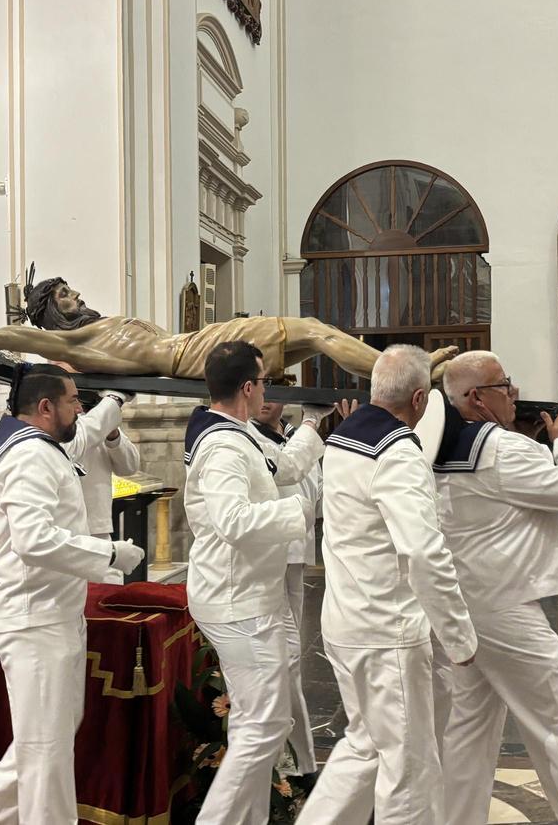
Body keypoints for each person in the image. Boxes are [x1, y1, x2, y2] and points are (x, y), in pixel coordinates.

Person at [0, 365, 145, 824]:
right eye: (73, 400)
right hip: (31, 613)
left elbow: (89, 435)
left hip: (48, 607)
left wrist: (115, 400)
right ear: (45, 407)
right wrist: (109, 553)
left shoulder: (38, 444)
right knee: (45, 750)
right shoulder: (29, 455)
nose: (79, 408)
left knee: (47, 738)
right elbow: (33, 539)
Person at [434, 350, 558, 825]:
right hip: (506, 606)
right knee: (557, 727)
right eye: (503, 384)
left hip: (464, 600)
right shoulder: (501, 448)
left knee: (470, 727)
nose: (513, 391)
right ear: (477, 397)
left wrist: (527, 440)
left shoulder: (447, 442)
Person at [299, 345, 477, 825]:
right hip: (386, 630)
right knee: (408, 770)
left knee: (365, 748)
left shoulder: (344, 437)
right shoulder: (396, 451)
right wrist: (459, 635)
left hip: (345, 618)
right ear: (419, 399)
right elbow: (422, 551)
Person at [181, 341, 330, 825]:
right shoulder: (223, 445)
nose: (267, 389)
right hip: (235, 598)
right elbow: (233, 520)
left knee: (259, 720)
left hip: (250, 592)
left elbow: (283, 465)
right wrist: (297, 511)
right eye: (264, 381)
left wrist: (312, 423)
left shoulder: (237, 431)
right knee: (264, 724)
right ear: (248, 387)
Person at [0, 272, 458, 382]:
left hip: (192, 346)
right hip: (189, 354)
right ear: (50, 313)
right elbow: (1, 337)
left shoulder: (104, 325)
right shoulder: (73, 342)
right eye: (63, 295)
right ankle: (408, 372)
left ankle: (401, 370)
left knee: (312, 340)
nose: (77, 296)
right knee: (310, 328)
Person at [250, 397, 326, 784]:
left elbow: (315, 490)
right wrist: (314, 423)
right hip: (264, 555)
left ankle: (299, 761)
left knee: (290, 655)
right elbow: (287, 470)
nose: (265, 402)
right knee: (285, 657)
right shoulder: (248, 437)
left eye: (272, 391)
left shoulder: (294, 436)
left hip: (295, 550)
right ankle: (291, 762)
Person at [63, 389, 141, 585]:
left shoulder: (97, 423)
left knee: (107, 594)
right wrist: (113, 401)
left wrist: (112, 434)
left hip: (97, 528)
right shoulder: (69, 429)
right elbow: (77, 442)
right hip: (65, 531)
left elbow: (129, 466)